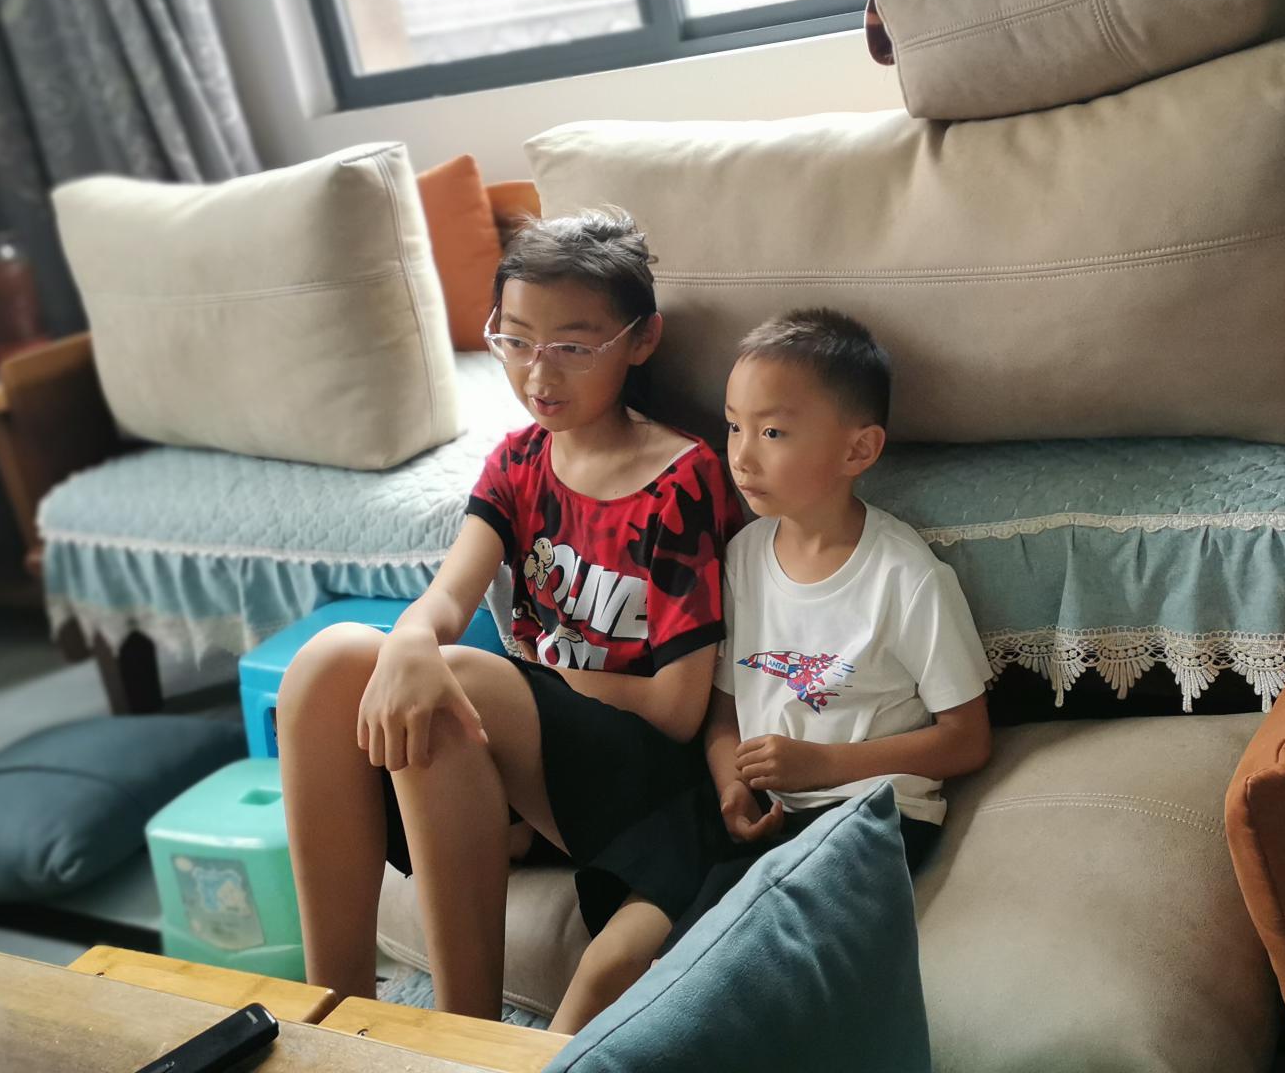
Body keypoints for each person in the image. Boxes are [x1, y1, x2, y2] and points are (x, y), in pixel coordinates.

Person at [277, 209, 739, 1031]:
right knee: (330, 659)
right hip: (534, 769)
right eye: (516, 341)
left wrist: (519, 681)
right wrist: (413, 637)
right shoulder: (519, 462)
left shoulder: (681, 480)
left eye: (572, 347)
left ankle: (465, 1034)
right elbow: (448, 597)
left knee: (457, 679)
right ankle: (336, 1018)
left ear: (641, 340)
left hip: (645, 790)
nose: (538, 372)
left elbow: (676, 709)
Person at [686, 307, 994, 936]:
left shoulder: (905, 577)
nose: (741, 456)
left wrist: (823, 765)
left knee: (748, 944)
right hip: (778, 818)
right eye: (734, 426)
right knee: (672, 944)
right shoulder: (742, 557)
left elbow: (967, 739)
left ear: (858, 449)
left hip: (873, 816)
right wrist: (731, 787)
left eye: (772, 432)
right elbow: (723, 715)